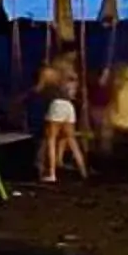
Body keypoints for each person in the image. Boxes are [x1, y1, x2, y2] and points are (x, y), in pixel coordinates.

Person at [35, 47, 86, 185]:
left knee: (51, 139)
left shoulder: (49, 72)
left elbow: (39, 89)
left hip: (57, 104)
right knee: (72, 139)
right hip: (69, 106)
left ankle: (51, 173)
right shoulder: (71, 73)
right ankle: (83, 170)